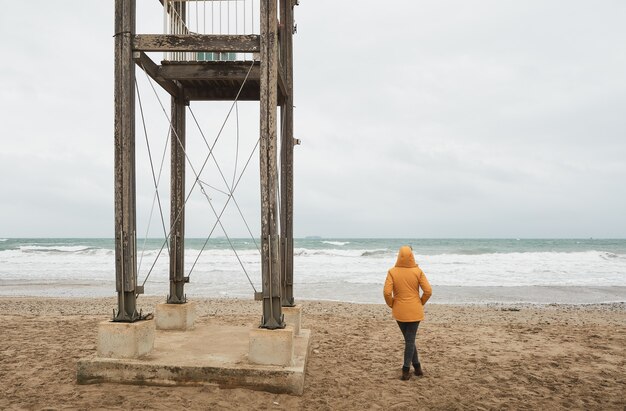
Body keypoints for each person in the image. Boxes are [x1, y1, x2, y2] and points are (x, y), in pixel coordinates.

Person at [383, 245, 432, 380]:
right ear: (412, 256)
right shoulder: (418, 271)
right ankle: (415, 368)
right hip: (415, 311)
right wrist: (420, 302)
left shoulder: (392, 271)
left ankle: (408, 369)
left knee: (409, 340)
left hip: (399, 311)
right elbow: (428, 291)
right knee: (410, 340)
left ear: (399, 256)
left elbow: (387, 293)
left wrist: (392, 304)